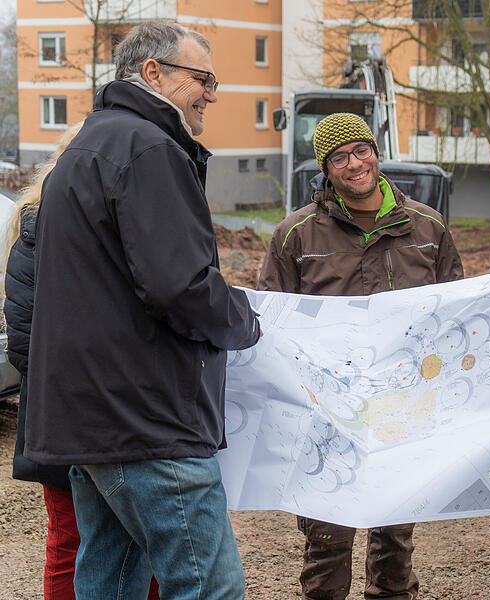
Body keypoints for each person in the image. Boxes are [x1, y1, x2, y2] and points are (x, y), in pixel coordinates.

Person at [24, 21, 261, 599]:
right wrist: (246, 321)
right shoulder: (148, 147)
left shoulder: (88, 145)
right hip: (146, 421)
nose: (211, 93)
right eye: (202, 78)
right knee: (211, 587)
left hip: (92, 420)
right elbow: (180, 286)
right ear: (153, 73)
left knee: (109, 583)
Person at [257, 112, 463, 600]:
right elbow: (271, 322)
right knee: (327, 543)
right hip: (327, 418)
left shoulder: (427, 227)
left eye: (361, 150)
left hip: (403, 411)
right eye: (339, 157)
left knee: (394, 541)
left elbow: (457, 313)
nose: (354, 164)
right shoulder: (297, 235)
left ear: (376, 152)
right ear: (325, 170)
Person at [4, 125, 162, 600]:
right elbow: (25, 340)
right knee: (94, 539)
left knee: (89, 541)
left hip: (59, 413)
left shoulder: (43, 221)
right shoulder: (40, 224)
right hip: (72, 412)